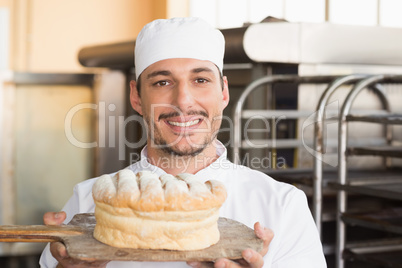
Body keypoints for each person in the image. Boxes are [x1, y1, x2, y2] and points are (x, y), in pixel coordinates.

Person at [39, 17, 327, 268]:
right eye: (162, 82)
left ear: (223, 92)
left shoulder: (282, 207)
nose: (183, 101)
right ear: (137, 97)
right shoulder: (86, 202)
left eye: (200, 80)